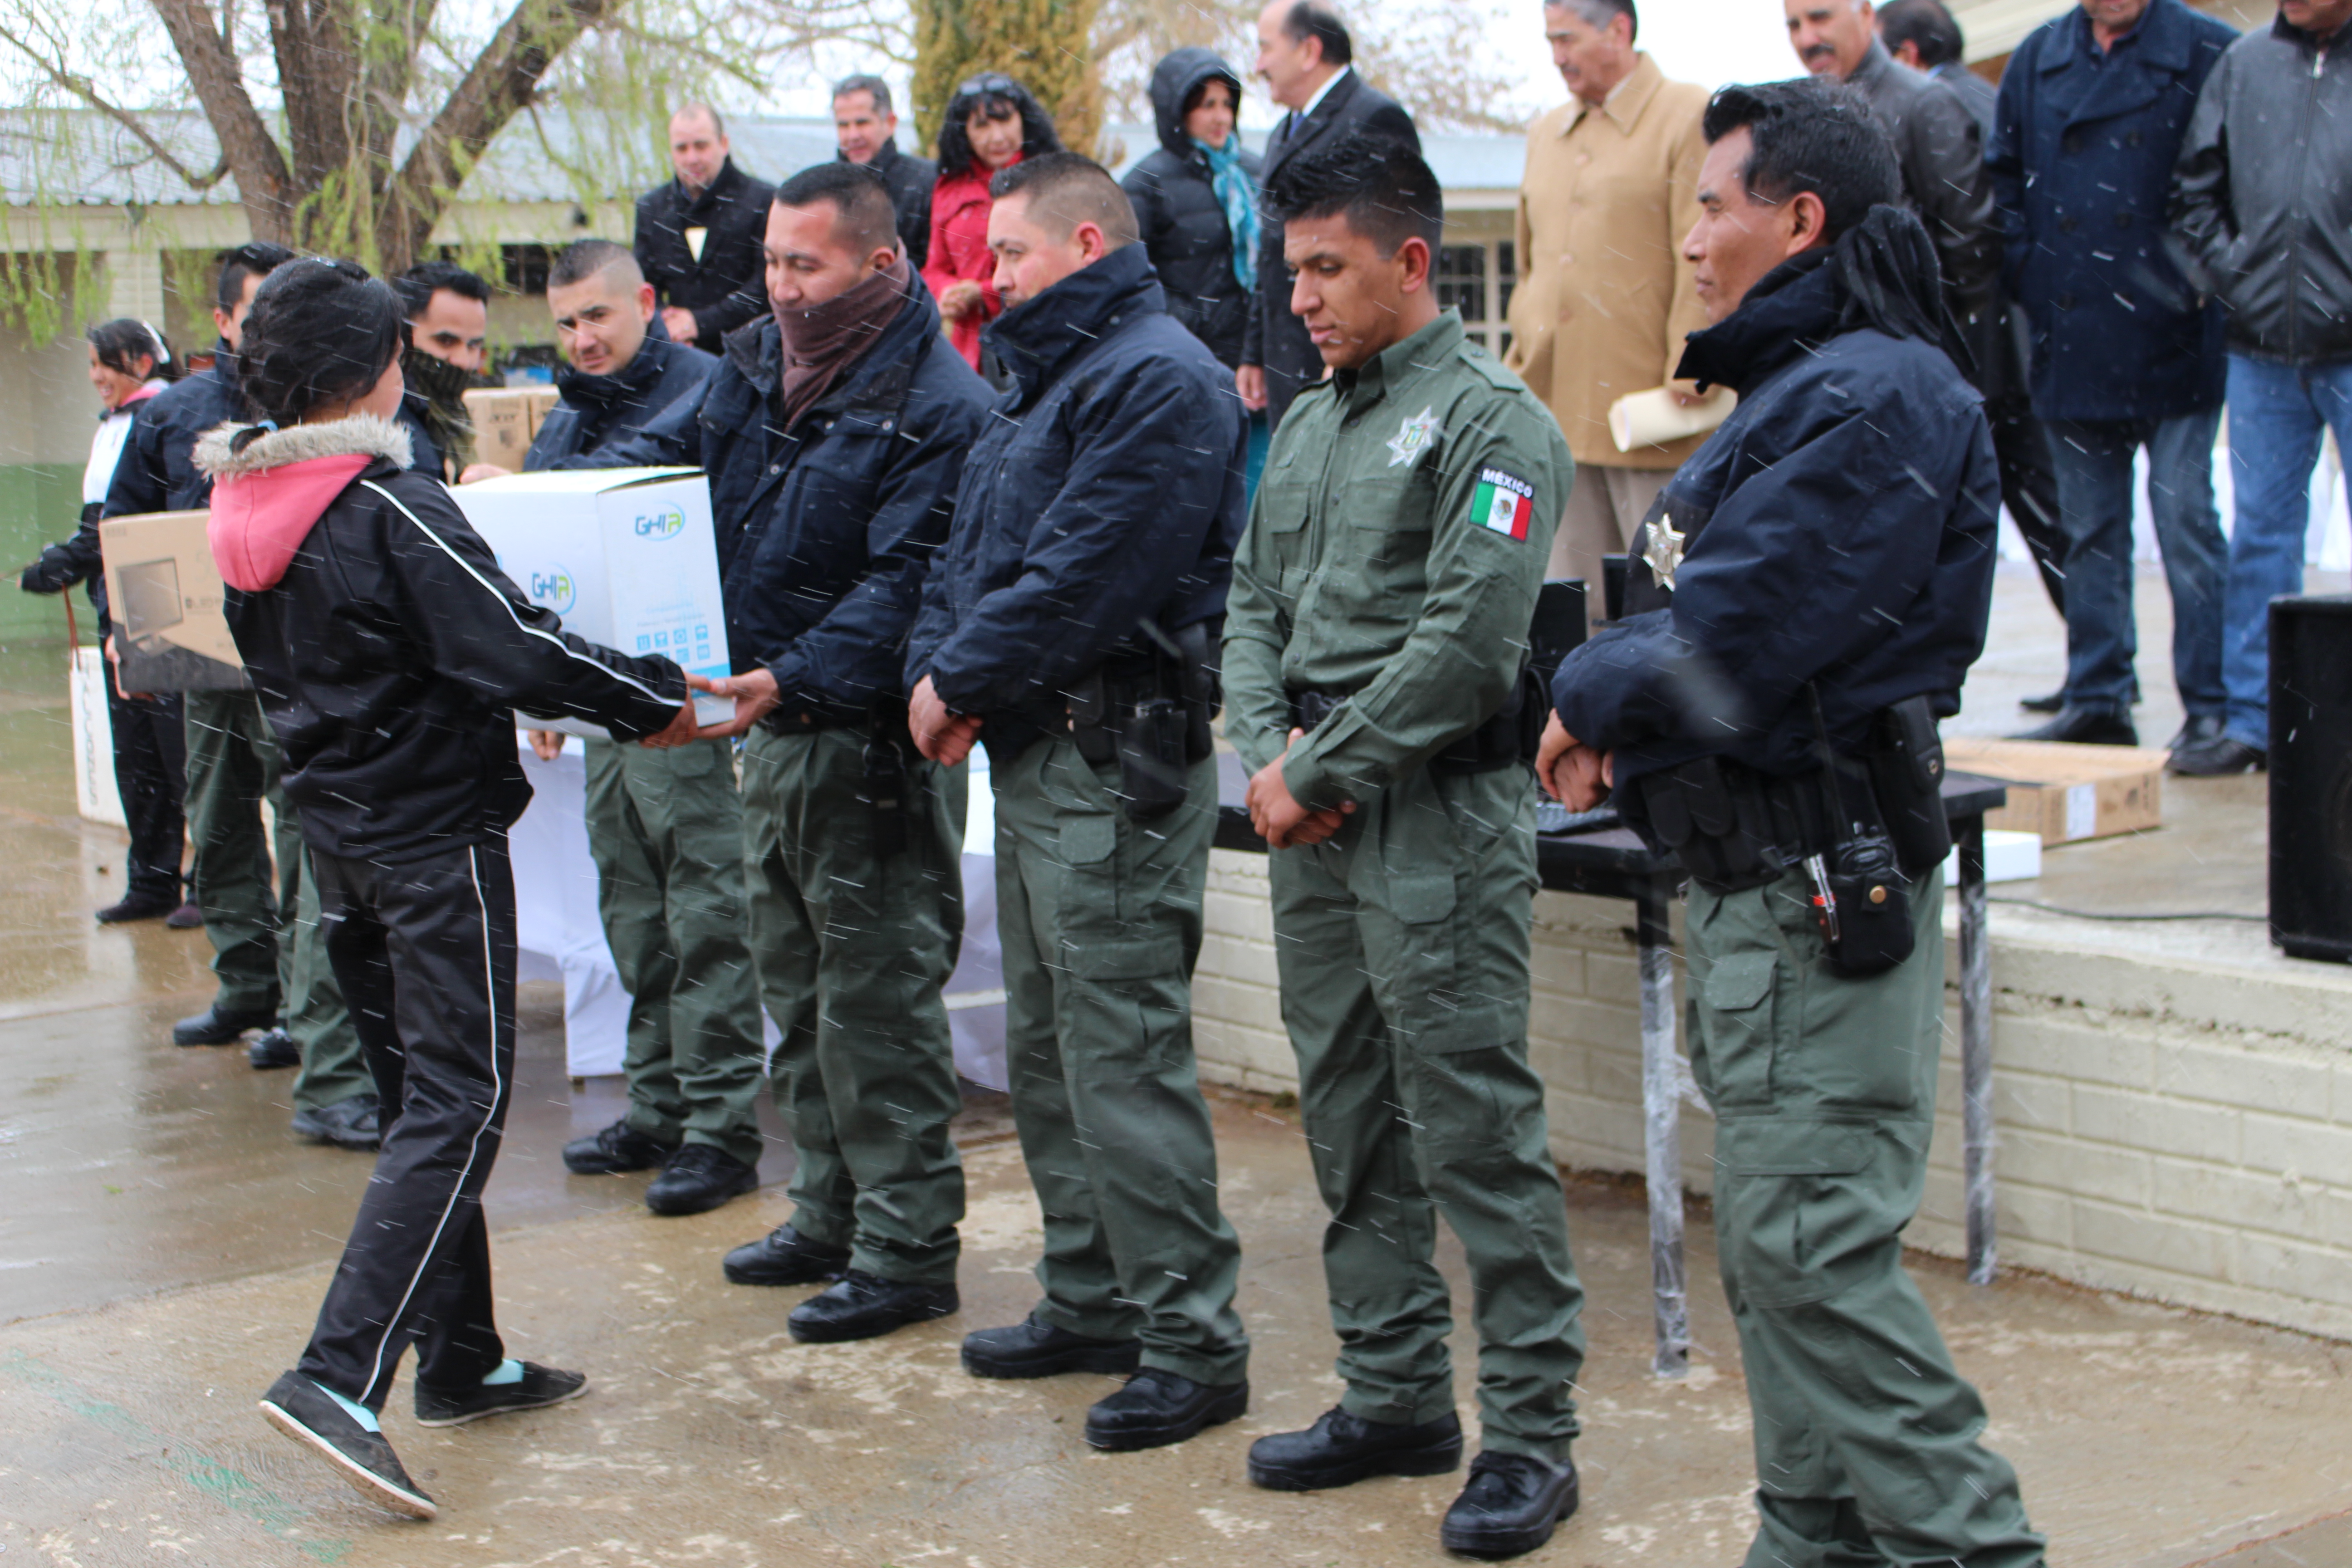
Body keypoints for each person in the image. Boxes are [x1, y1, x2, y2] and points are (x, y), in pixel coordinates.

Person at [1544, 78, 2046, 1568]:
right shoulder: (1810, 386)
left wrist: (1582, 689)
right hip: (1760, 891)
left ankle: (1972, 1544)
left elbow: (1734, 638)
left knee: (1809, 1252)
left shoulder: (1878, 392)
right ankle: (1814, 1529)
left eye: (1711, 204)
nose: (1689, 237)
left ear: (1798, 219)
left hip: (1817, 891)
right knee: (1777, 1258)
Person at [203, 256, 697, 1522]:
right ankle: (337, 1374)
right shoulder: (387, 503)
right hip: (430, 844)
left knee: (417, 1095)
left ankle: (462, 1358)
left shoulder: (250, 510)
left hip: (338, 843)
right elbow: (514, 646)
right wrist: (656, 698)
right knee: (464, 1105)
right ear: (373, 372)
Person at [1222, 133, 1587, 1561]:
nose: (1301, 298)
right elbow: (1251, 605)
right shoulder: (1310, 424)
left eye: (1328, 268)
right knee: (1352, 1118)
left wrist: (1318, 768)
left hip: (1431, 816)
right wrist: (1268, 759)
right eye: (1290, 268)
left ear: (1411, 261)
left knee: (1475, 1129)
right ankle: (1392, 1395)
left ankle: (1534, 1438)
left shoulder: (1498, 424)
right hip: (1308, 817)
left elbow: (1469, 648)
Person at [906, 152, 1250, 1453]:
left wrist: (959, 677)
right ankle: (1094, 1297)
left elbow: (1084, 578)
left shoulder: (1158, 379)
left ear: (1089, 242)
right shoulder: (1044, 377)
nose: (989, 280)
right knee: (1050, 1054)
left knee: (1122, 1060)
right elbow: (970, 552)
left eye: (1011, 257)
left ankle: (1192, 1342)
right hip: (1035, 753)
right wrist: (933, 671)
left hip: (1113, 764)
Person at [619, 163, 990, 1338]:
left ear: (881, 264)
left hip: (867, 748)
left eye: (804, 266)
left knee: (876, 1006)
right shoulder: (749, 375)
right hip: (769, 736)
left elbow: (911, 579)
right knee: (800, 993)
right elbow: (671, 502)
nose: (779, 287)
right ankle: (828, 1209)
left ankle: (908, 1246)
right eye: (772, 261)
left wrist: (798, 671)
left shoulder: (939, 405)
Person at [493, 238, 758, 1218]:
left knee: (707, 921)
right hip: (607, 714)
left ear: (645, 300)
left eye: (597, 315)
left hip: (691, 704)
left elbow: (653, 500)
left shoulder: (713, 395)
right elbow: (546, 565)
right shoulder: (566, 417)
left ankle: (722, 1127)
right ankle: (658, 1103)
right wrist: (547, 698)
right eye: (564, 324)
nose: (582, 338)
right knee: (635, 921)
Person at [102, 243, 378, 1152]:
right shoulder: (179, 416)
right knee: (217, 824)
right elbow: (125, 531)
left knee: (311, 854)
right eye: (260, 318)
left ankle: (316, 1035)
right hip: (203, 663)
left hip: (299, 671)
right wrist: (123, 627)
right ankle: (245, 984)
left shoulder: (334, 412)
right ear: (224, 325)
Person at [1992, 0, 2234, 751]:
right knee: (2088, 530)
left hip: (2176, 334)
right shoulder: (2038, 57)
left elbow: (2226, 185)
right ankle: (2097, 695)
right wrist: (2031, 272)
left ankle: (2213, 705)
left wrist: (2184, 283)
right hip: (2071, 332)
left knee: (2185, 525)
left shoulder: (2206, 50)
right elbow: (2000, 185)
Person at [2169, 0, 2352, 776]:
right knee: (2260, 540)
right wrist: (2234, 279)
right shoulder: (2242, 66)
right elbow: (2193, 189)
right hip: (2258, 353)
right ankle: (2258, 719)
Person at [1505, 0, 1710, 612]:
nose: (1557, 55)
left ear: (1618, 30)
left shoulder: (1686, 113)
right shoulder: (1545, 132)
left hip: (1653, 413)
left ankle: (1670, 712)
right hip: (1558, 413)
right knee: (1575, 603)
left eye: (1567, 38)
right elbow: (1529, 263)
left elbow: (1698, 249)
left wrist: (1692, 366)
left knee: (1668, 592)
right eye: (1549, 40)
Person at [1878, 0, 2073, 640]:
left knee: (1981, 514)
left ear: (1906, 54)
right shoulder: (1983, 96)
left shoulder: (1938, 106)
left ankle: (2099, 668)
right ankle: (2097, 661)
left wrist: (1944, 330)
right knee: (2047, 512)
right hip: (2017, 335)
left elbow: (1969, 236)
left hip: (1987, 345)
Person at [17, 318, 197, 926]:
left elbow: (127, 526)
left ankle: (209, 883)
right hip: (114, 602)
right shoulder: (113, 424)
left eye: (106, 363)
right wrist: (71, 559)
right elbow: (100, 521)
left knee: (183, 753)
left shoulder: (165, 415)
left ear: (144, 362)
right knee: (138, 753)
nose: (96, 376)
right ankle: (152, 879)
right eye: (92, 364)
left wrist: (66, 562)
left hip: (159, 600)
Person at [1241, 1, 1419, 433]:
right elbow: (1272, 253)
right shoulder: (1282, 134)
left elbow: (1395, 250)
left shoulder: (1375, 118)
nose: (1259, 64)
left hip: (1346, 363)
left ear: (1309, 51)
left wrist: (1354, 356)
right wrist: (1255, 350)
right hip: (1291, 358)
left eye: (1267, 48)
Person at [923, 73, 1062, 373]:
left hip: (1044, 339)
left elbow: (1063, 265)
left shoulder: (1054, 179)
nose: (997, 137)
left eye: (1005, 121)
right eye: (982, 125)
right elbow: (936, 267)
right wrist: (947, 292)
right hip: (972, 357)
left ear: (1024, 120)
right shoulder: (949, 188)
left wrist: (985, 293)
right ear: (964, 133)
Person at [634, 104, 775, 355]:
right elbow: (644, 287)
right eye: (682, 148)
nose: (692, 159)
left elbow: (766, 286)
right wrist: (666, 328)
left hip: (751, 356)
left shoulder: (763, 201)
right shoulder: (651, 209)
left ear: (723, 143)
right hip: (679, 359)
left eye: (701, 146)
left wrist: (700, 322)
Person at [390, 260, 491, 480]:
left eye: (473, 345)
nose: (463, 361)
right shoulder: (390, 421)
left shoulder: (449, 414)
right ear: (403, 337)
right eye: (446, 341)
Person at [833, 74, 934, 267]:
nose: (853, 135)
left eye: (862, 123)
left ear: (890, 123)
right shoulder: (822, 187)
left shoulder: (926, 181)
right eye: (843, 125)